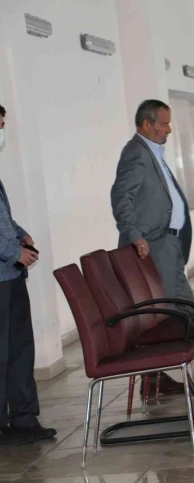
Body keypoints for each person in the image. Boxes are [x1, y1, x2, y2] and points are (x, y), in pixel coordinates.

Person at [110, 99, 194, 395]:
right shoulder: (136, 153)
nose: (169, 129)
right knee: (166, 312)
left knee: (185, 307)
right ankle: (161, 377)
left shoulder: (153, 152)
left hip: (168, 243)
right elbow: (121, 196)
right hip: (152, 245)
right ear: (146, 124)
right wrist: (133, 234)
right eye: (164, 124)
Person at [0, 103, 57, 446]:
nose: (2, 131)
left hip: (11, 277)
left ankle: (24, 419)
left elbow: (3, 219)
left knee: (20, 349)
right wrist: (12, 252)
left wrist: (20, 235)